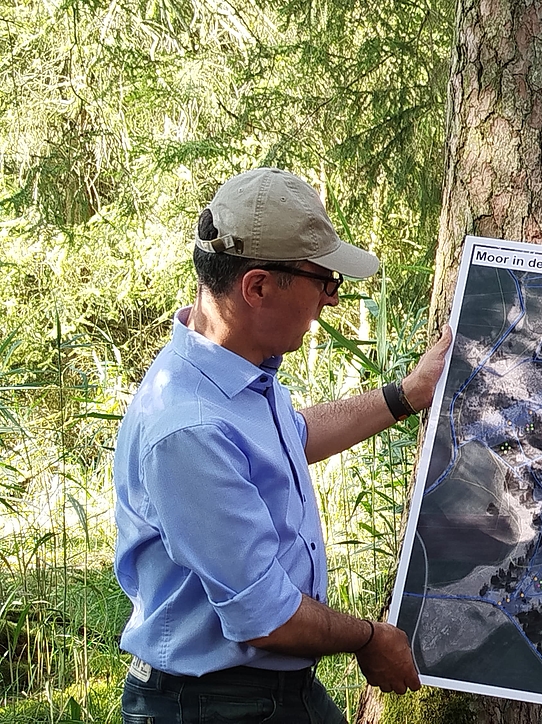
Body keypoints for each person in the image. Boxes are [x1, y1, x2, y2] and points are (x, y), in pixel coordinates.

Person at [114, 167, 450, 722]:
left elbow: (294, 438)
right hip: (211, 706)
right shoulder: (189, 428)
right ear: (259, 287)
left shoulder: (239, 374)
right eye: (324, 281)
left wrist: (408, 395)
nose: (332, 301)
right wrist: (369, 638)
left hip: (268, 695)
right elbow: (266, 619)